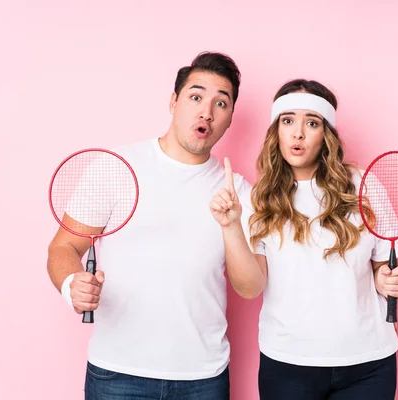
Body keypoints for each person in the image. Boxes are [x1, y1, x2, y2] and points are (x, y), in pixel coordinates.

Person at [46, 51, 251, 400]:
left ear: (230, 118)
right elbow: (64, 247)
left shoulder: (239, 191)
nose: (206, 111)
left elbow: (250, 285)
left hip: (203, 378)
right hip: (117, 374)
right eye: (196, 96)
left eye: (221, 103)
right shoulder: (116, 166)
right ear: (173, 102)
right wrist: (71, 284)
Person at [210, 79, 398, 399]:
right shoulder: (257, 198)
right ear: (276, 130)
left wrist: (388, 281)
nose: (298, 132)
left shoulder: (363, 184)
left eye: (312, 122)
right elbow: (250, 288)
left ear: (326, 135)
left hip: (368, 363)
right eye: (288, 120)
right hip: (289, 364)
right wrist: (231, 226)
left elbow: (381, 268)